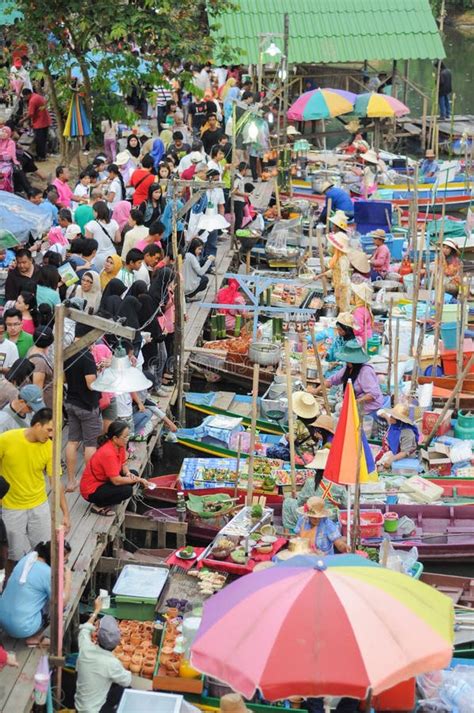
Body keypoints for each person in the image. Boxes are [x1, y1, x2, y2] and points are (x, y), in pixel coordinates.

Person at [0, 408, 70, 563]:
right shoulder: (6, 439)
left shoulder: (50, 447)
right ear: (37, 425)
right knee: (14, 555)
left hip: (39, 504)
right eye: (49, 430)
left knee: (45, 550)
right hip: (11, 507)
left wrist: (65, 513)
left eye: (54, 431)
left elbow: (56, 483)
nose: (51, 435)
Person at [80, 421, 152, 514]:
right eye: (125, 437)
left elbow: (123, 463)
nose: (127, 439)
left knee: (133, 473)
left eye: (128, 436)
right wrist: (139, 480)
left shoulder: (120, 445)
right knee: (127, 490)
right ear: (115, 438)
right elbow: (116, 481)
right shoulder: (108, 453)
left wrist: (128, 473)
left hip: (105, 480)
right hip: (91, 490)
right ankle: (98, 505)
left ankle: (111, 496)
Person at [75, 596, 132, 713]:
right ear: (117, 644)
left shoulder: (85, 648)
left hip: (79, 707)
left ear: (97, 637)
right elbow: (127, 680)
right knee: (125, 689)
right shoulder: (112, 663)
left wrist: (96, 610)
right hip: (95, 710)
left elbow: (85, 629)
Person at [64, 324, 101, 492]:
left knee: (72, 441)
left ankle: (71, 481)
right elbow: (91, 384)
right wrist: (102, 377)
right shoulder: (87, 357)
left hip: (71, 401)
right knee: (90, 444)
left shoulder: (68, 353)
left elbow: (65, 379)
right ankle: (91, 480)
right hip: (87, 405)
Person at [321, 339, 384, 416]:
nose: (347, 362)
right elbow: (332, 380)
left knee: (341, 412)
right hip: (355, 402)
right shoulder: (348, 368)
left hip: (368, 407)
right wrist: (316, 390)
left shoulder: (366, 371)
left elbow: (372, 394)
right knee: (337, 407)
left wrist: (355, 402)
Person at [314, 229, 351, 313]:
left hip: (343, 289)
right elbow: (333, 271)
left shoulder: (343, 259)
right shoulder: (337, 257)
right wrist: (319, 276)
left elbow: (344, 276)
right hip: (338, 288)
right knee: (339, 309)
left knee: (343, 310)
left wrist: (339, 289)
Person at [376, 403, 419, 469]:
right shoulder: (394, 426)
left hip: (402, 460)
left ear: (400, 420)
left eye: (393, 417)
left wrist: (391, 460)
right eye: (391, 415)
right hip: (389, 452)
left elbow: (404, 452)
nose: (390, 417)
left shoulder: (407, 433)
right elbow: (389, 420)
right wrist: (384, 415)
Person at [84, 201, 120, 271]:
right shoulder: (114, 222)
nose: (93, 213)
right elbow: (118, 239)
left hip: (98, 257)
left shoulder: (91, 224)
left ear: (97, 212)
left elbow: (88, 244)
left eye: (93, 211)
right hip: (112, 256)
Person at [27, 327, 54, 410]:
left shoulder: (33, 350)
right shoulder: (39, 361)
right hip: (45, 408)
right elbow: (37, 390)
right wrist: (42, 412)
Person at [21, 88, 51, 160]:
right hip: (45, 121)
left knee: (39, 140)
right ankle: (43, 155)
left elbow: (31, 114)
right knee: (43, 139)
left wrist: (22, 120)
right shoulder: (38, 96)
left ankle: (40, 156)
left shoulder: (32, 100)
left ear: (28, 95)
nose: (25, 99)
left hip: (39, 123)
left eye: (25, 97)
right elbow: (37, 109)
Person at [184, 238, 213, 302]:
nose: (200, 251)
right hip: (187, 287)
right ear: (193, 248)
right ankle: (190, 295)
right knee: (205, 279)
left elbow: (197, 265)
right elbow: (201, 272)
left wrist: (205, 260)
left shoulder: (186, 254)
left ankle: (189, 295)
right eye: (199, 249)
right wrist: (209, 261)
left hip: (183, 285)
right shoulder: (191, 257)